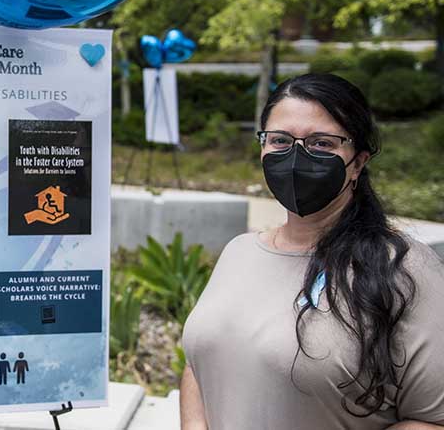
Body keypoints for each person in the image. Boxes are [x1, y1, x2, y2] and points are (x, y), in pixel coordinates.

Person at [181, 73, 444, 430]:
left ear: (359, 161)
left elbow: (432, 419)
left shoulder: (405, 269)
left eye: (321, 143)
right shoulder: (238, 252)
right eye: (279, 140)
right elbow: (199, 363)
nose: (296, 156)